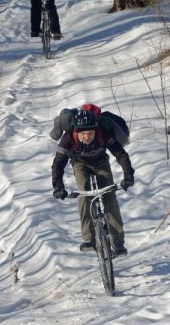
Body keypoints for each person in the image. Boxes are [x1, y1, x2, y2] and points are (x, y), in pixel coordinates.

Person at [52, 108, 134, 256]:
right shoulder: (69, 137)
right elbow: (58, 163)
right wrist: (58, 186)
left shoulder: (103, 132)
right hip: (79, 163)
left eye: (90, 133)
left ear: (96, 129)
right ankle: (88, 239)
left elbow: (120, 154)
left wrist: (128, 174)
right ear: (76, 131)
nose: (87, 137)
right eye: (83, 134)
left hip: (101, 162)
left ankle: (118, 244)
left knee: (109, 197)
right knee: (84, 194)